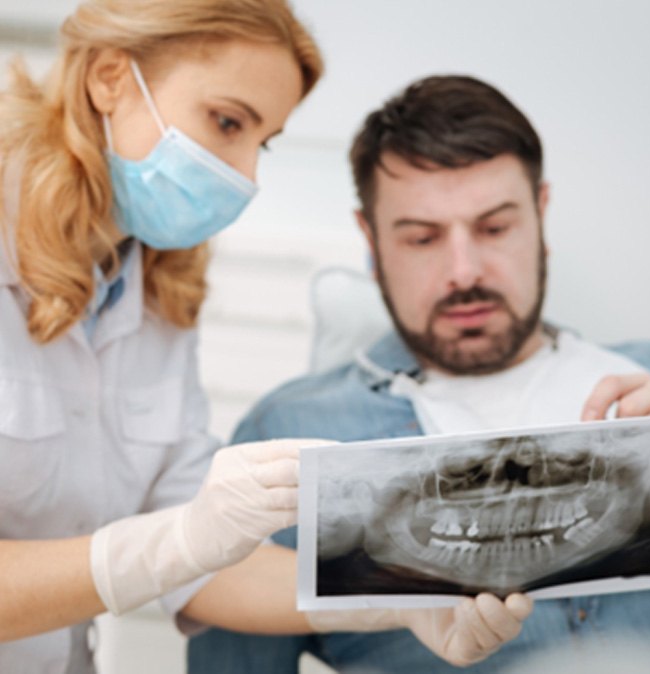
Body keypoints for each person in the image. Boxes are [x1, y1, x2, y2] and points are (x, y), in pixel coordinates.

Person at [187, 75, 650, 673]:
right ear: (370, 241)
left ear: (540, 213)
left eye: (494, 228)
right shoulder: (290, 430)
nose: (464, 271)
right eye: (423, 238)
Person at [0, 4, 531, 672]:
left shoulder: (153, 289)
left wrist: (395, 597)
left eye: (263, 141)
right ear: (110, 77)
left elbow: (209, 566)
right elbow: (186, 545)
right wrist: (176, 542)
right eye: (227, 122)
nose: (246, 175)